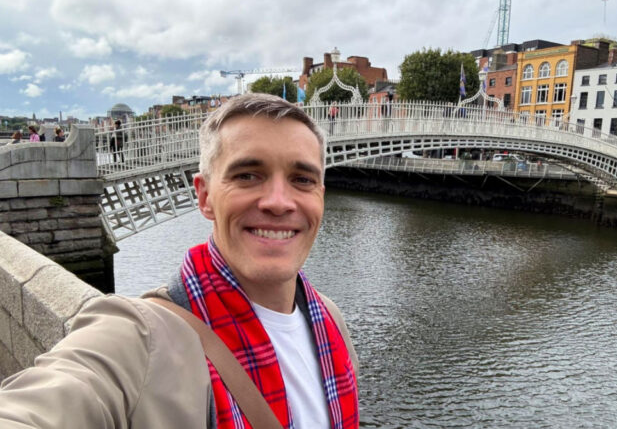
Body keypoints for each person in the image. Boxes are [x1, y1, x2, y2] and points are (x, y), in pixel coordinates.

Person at [0, 93, 359, 429]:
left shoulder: (329, 318)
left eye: (302, 179)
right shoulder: (139, 337)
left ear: (321, 197)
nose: (279, 201)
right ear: (204, 196)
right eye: (247, 175)